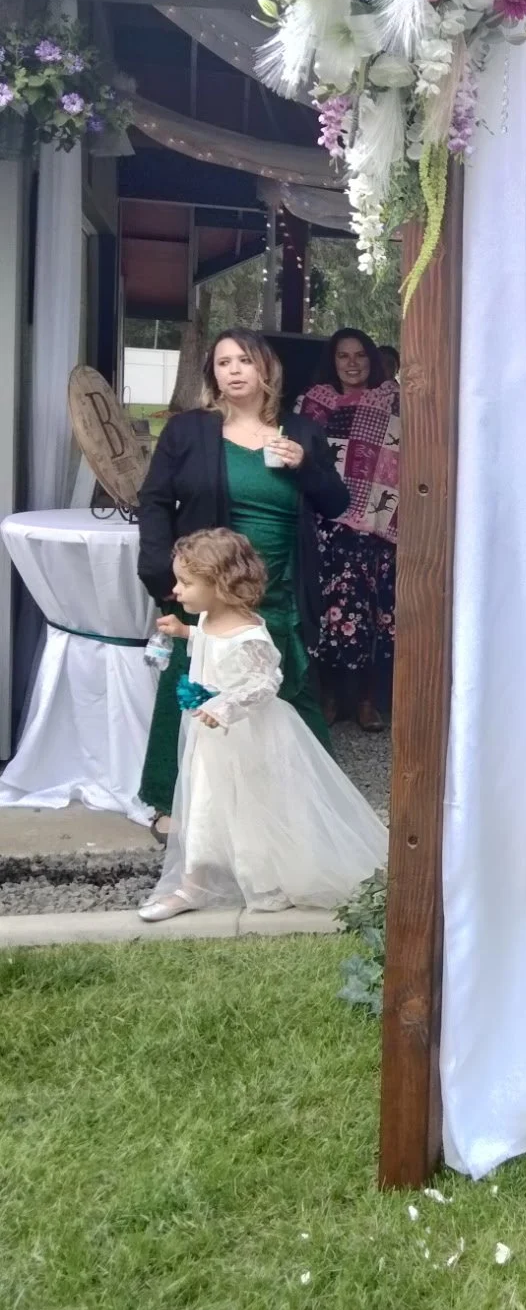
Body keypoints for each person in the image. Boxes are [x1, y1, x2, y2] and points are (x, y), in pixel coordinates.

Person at [136, 328, 348, 825]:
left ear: (266, 368)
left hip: (280, 587)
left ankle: (310, 802)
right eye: (223, 362)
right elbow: (155, 500)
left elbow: (336, 503)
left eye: (244, 361)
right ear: (213, 373)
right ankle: (171, 802)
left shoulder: (302, 432)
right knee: (193, 686)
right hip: (213, 587)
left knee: (287, 685)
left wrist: (305, 466)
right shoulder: (188, 431)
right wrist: (160, 570)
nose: (233, 370)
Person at [138, 529, 387, 920]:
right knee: (202, 803)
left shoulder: (250, 635)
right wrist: (187, 633)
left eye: (186, 582)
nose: (176, 589)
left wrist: (226, 705)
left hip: (247, 737)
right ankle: (193, 883)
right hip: (213, 738)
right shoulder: (208, 617)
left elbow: (266, 682)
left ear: (220, 585)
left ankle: (266, 882)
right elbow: (211, 643)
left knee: (252, 809)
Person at [294, 328, 400, 731]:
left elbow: (405, 457)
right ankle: (331, 696)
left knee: (373, 614)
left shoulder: (394, 402)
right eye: (343, 356)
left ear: (372, 359)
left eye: (360, 355)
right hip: (326, 524)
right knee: (325, 613)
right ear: (332, 361)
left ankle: (368, 701)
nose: (352, 363)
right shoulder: (311, 405)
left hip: (374, 529)